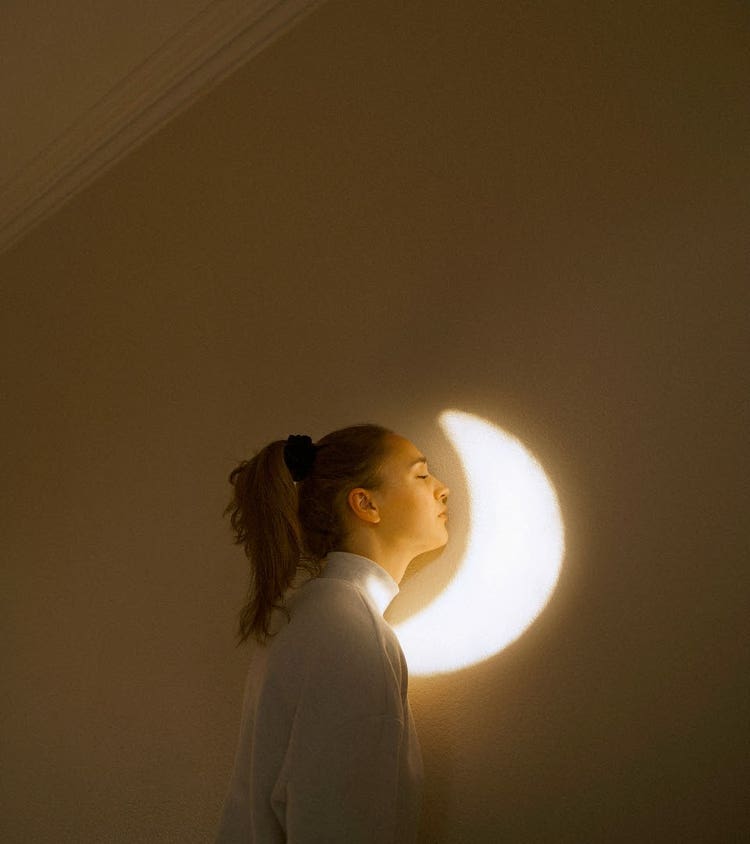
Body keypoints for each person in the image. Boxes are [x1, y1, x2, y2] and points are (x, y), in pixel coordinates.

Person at [215, 424, 450, 843]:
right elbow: (337, 822)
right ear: (365, 503)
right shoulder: (350, 632)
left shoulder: (314, 616)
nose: (442, 489)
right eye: (421, 475)